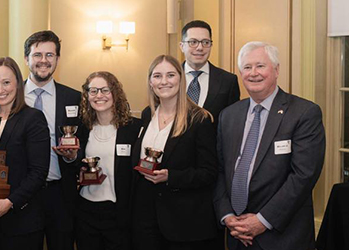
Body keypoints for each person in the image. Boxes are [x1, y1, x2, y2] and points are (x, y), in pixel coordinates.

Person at [214, 42, 325, 250]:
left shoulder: (303, 113)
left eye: (260, 66)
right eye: (247, 68)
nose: (253, 73)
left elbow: (303, 175)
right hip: (237, 235)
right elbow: (220, 170)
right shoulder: (228, 115)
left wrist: (262, 221)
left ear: (276, 70)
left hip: (282, 237)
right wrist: (227, 215)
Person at [131, 55, 218, 250]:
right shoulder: (147, 114)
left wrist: (171, 177)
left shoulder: (199, 119)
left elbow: (209, 172)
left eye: (170, 75)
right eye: (157, 76)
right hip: (145, 216)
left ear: (181, 78)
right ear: (150, 82)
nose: (164, 81)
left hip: (182, 222)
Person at [0, 57, 50, 250]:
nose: (0, 90)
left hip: (20, 221)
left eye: (6, 83)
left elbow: (39, 172)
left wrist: (10, 202)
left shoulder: (33, 118)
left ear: (18, 84)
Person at [23, 30, 82, 250]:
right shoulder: (11, 95)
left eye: (50, 55)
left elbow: (83, 140)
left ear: (57, 59)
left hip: (60, 193)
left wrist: (73, 156)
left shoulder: (73, 97)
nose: (43, 61)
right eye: (37, 55)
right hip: (23, 194)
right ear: (27, 58)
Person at [73, 71, 141, 250]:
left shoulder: (133, 129)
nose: (99, 95)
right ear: (87, 96)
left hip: (118, 213)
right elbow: (75, 162)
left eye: (105, 90)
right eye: (93, 91)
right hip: (86, 211)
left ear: (115, 93)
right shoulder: (83, 128)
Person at [180, 20, 239, 123]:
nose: (200, 48)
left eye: (205, 42)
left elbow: (232, 123)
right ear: (182, 46)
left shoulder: (228, 81)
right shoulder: (169, 78)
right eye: (193, 42)